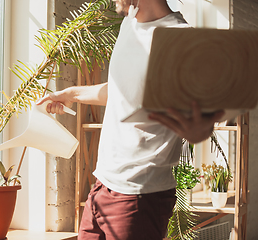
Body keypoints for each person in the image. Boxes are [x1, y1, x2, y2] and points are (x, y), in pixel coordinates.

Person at [37, 0, 224, 239]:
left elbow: (200, 124)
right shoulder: (130, 24)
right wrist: (71, 94)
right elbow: (122, 90)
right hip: (102, 186)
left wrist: (198, 121)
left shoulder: (181, 40)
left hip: (139, 195)